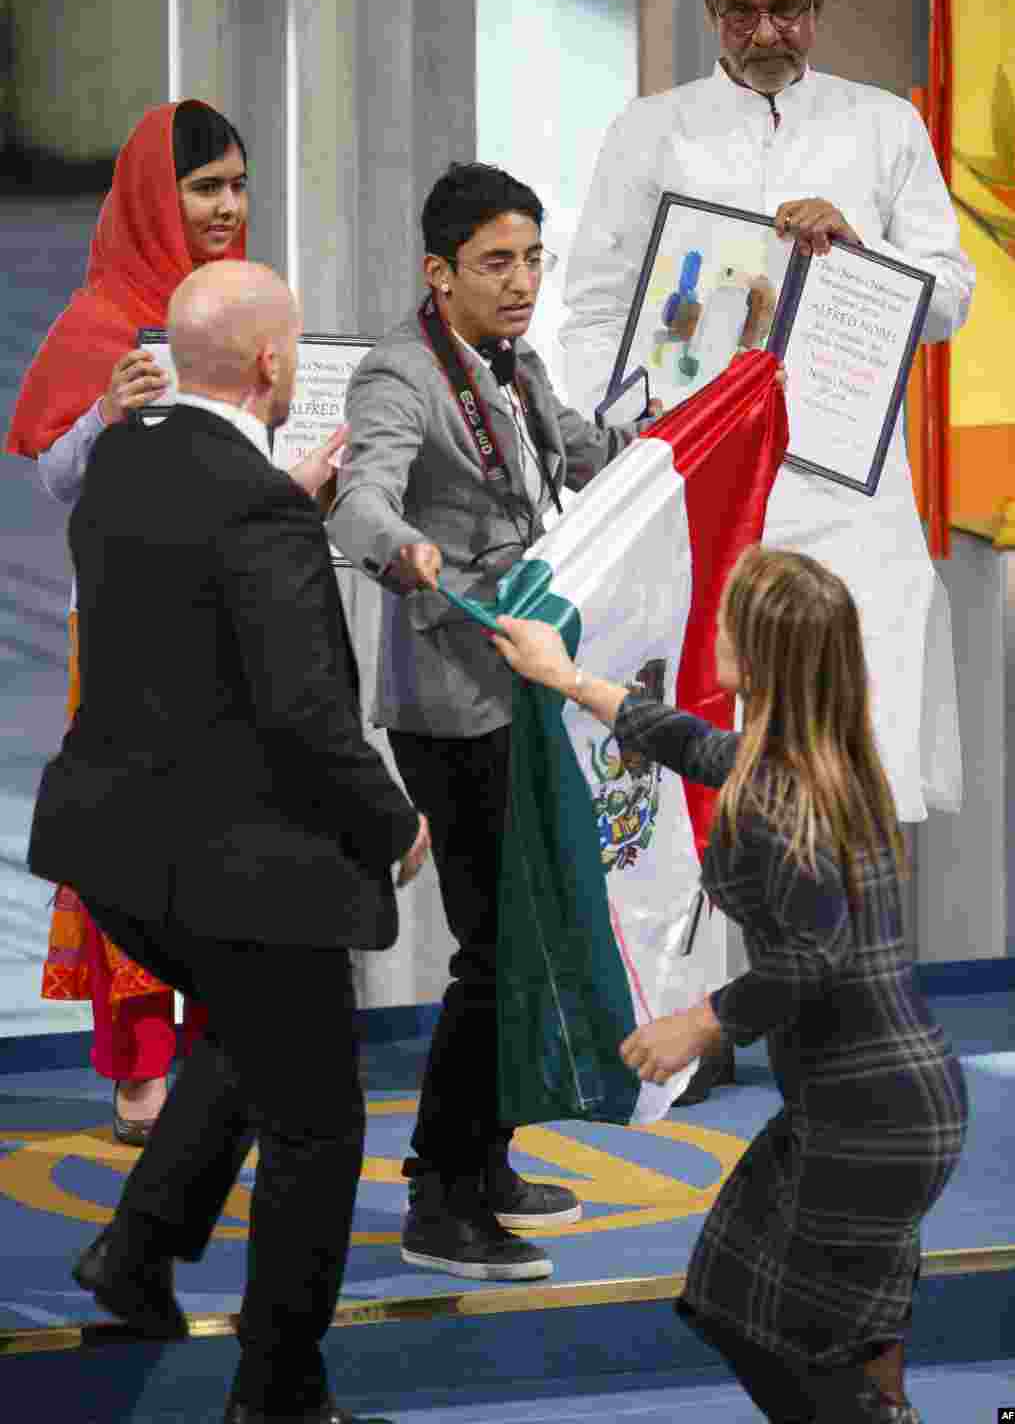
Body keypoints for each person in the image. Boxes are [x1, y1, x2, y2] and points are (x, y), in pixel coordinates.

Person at [561, 0, 976, 1096]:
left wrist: (857, 249)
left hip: (850, 492)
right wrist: (635, 437)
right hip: (708, 494)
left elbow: (946, 297)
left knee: (868, 745)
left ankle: (865, 1007)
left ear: (815, 4)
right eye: (741, 12)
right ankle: (720, 1022)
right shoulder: (654, 131)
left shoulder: (882, 126)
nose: (764, 31)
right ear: (709, 11)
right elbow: (596, 306)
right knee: (725, 756)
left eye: (784, 8)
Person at [27, 258, 427, 1424]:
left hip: (117, 859)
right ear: (274, 365)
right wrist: (391, 822)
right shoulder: (254, 507)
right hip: (237, 870)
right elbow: (304, 712)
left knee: (249, 1039)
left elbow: (192, 591)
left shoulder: (130, 455)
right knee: (317, 1119)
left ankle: (137, 1255)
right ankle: (279, 1394)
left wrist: (281, 503)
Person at [490, 547, 968, 1424]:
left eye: (726, 620)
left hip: (864, 1113)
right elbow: (692, 743)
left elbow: (808, 959)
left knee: (766, 1327)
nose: (712, 627)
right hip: (896, 1101)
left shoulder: (777, 794)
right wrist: (566, 678)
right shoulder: (828, 763)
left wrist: (699, 1024)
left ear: (756, 653)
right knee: (802, 1315)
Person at [328, 162, 657, 1282]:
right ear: (439, 272)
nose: (521, 284)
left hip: (524, 679)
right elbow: (356, 497)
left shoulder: (516, 360)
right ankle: (437, 1194)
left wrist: (675, 433)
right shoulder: (398, 376)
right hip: (449, 703)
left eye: (531, 259)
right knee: (490, 951)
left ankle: (488, 1160)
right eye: (495, 264)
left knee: (526, 937)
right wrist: (400, 548)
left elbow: (571, 453)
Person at [5, 100, 338, 1144]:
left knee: (233, 837)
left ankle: (223, 1049)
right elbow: (59, 483)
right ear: (158, 195)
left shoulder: (251, 309)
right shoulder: (104, 322)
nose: (227, 206)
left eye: (238, 184)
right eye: (205, 188)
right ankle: (140, 1064)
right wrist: (104, 411)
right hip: (124, 632)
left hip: (239, 622)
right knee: (135, 843)